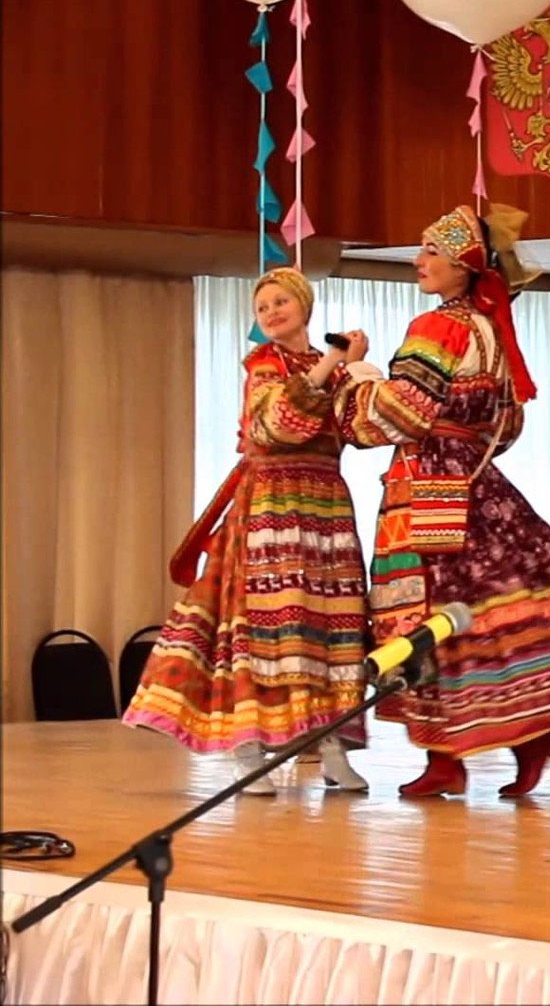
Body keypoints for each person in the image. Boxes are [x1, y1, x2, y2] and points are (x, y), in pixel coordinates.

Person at [336, 204, 550, 798]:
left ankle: (450, 757)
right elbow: (507, 427)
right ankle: (522, 744)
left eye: (432, 252)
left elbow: (400, 414)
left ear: (463, 265)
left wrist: (358, 377)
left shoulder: (437, 327)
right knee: (495, 615)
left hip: (428, 488)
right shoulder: (492, 332)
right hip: (479, 484)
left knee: (431, 616)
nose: (419, 261)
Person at [124, 267, 371, 794]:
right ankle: (248, 748)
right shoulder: (264, 365)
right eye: (263, 307)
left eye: (281, 301)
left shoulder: (329, 366)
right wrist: (333, 363)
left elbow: (358, 428)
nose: (272, 312)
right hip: (273, 504)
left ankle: (332, 747)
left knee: (331, 623)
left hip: (325, 506)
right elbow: (276, 425)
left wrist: (358, 371)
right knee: (267, 625)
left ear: (304, 306)